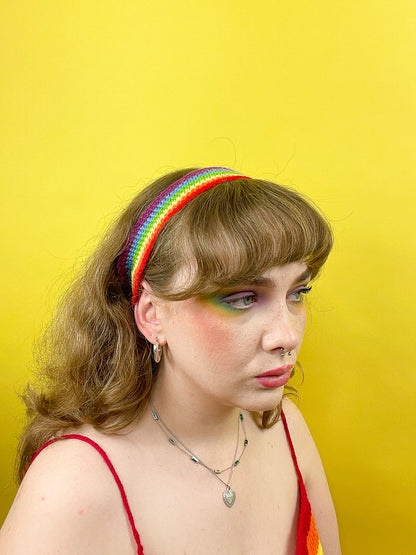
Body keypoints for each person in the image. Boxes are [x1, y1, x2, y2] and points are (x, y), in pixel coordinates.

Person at [0, 167, 341, 554]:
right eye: (242, 298)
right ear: (152, 315)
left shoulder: (285, 427)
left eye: (298, 292)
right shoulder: (73, 484)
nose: (288, 336)